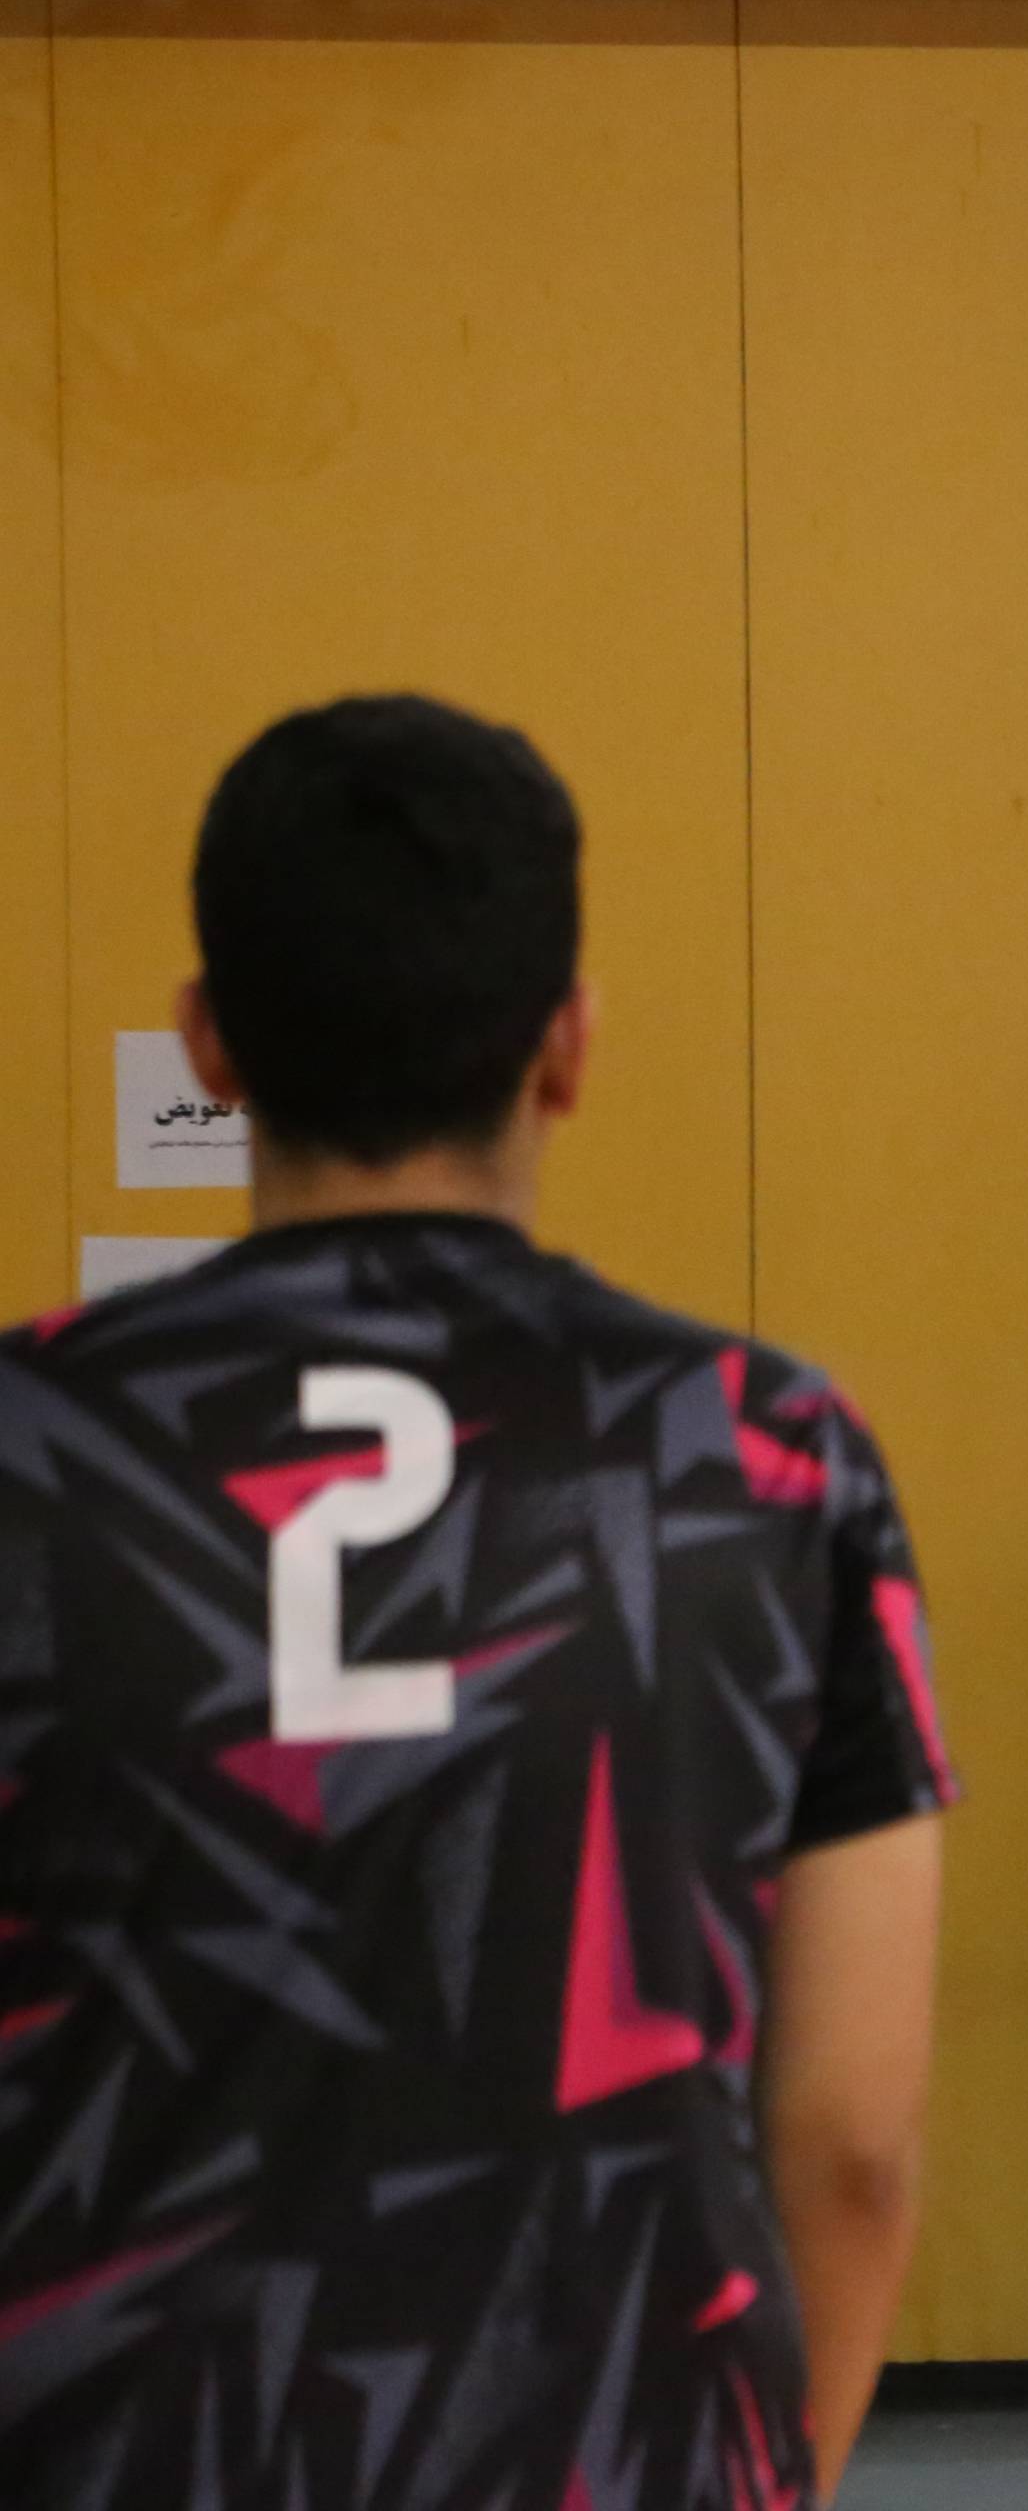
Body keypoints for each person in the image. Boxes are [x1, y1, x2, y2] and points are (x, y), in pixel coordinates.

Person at [0, 696, 956, 2506]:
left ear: (211, 1042)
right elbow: (853, 2144)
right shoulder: (772, 1456)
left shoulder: (29, 1444)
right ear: (568, 1045)